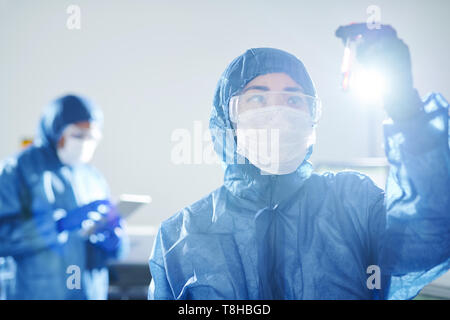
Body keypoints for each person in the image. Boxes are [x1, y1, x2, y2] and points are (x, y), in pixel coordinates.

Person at [148, 27, 450, 299]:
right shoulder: (179, 236)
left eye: (293, 100)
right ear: (228, 122)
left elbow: (431, 233)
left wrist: (408, 113)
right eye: (257, 99)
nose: (277, 112)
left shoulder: (354, 204)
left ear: (311, 119)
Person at [0, 94, 129, 300]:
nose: (85, 142)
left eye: (91, 137)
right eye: (78, 135)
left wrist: (113, 244)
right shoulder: (17, 171)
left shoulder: (93, 178)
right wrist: (56, 225)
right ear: (55, 130)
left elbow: (91, 254)